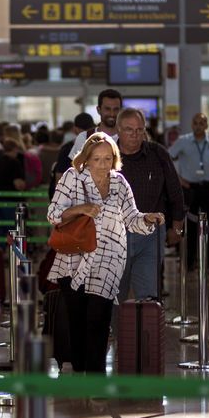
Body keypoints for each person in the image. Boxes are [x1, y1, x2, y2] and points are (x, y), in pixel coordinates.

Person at [47, 133, 165, 373]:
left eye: (108, 159)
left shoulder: (119, 182)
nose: (102, 164)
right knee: (77, 319)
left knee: (99, 318)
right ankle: (80, 369)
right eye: (97, 159)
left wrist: (148, 219)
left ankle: (96, 373)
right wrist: (80, 209)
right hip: (73, 257)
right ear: (86, 159)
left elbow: (131, 218)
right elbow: (53, 214)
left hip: (109, 257)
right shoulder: (72, 177)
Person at [115, 107, 185, 302]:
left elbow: (175, 190)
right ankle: (111, 331)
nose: (135, 135)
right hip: (115, 234)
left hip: (151, 233)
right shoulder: (107, 155)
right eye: (129, 129)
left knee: (148, 294)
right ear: (119, 129)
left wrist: (177, 227)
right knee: (114, 293)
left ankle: (146, 332)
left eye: (139, 129)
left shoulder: (157, 153)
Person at [168, 113, 209, 270]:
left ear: (206, 125)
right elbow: (167, 159)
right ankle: (189, 263)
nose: (198, 125)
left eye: (202, 122)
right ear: (192, 125)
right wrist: (179, 180)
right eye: (196, 122)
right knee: (190, 226)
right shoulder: (183, 141)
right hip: (189, 188)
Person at [68, 89, 122, 160]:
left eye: (116, 109)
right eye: (107, 109)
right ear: (98, 110)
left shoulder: (127, 138)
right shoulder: (84, 138)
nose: (112, 114)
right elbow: (76, 167)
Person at [52, 112, 96, 198]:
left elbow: (59, 176)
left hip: (73, 194)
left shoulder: (67, 148)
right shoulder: (101, 145)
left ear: (75, 129)